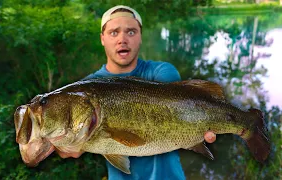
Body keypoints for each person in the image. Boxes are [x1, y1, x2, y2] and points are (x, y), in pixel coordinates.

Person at [83, 5, 216, 180]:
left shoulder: (162, 71)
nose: (122, 39)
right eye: (114, 32)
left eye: (131, 32)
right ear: (102, 38)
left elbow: (175, 98)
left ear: (140, 37)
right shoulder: (86, 88)